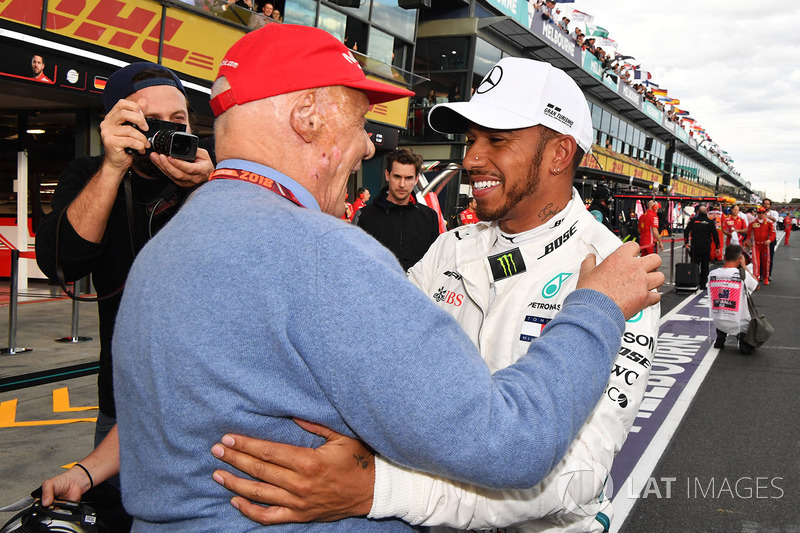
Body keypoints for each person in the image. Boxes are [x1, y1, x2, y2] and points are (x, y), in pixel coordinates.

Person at [108, 26, 661, 532]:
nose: (471, 159)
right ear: (307, 117)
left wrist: (378, 490)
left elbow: (576, 476)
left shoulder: (621, 279)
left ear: (560, 152)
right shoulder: (443, 248)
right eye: (472, 139)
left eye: (497, 140)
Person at [34, 61, 214, 528]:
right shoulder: (92, 175)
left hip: (213, 405)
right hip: (123, 409)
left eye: (179, 123)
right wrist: (113, 167)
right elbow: (62, 264)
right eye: (150, 122)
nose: (167, 133)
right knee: (116, 517)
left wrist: (210, 192)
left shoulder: (214, 182)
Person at [353, 147, 440, 271]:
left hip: (416, 289)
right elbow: (354, 260)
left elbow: (435, 263)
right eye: (397, 177)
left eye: (408, 178)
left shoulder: (429, 217)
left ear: (416, 179)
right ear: (387, 175)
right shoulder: (365, 216)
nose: (402, 184)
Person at [709, 244, 759, 354]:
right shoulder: (742, 274)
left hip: (718, 321)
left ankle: (721, 333)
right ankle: (742, 336)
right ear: (740, 258)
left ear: (724, 256)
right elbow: (757, 286)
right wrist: (744, 267)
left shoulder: (712, 274)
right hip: (739, 323)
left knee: (723, 300)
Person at [684, 204, 720, 290]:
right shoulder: (710, 222)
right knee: (705, 266)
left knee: (695, 265)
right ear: (707, 212)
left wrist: (686, 242)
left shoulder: (693, 221)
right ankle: (703, 284)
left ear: (698, 212)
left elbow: (686, 231)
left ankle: (694, 282)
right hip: (706, 247)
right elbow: (715, 235)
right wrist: (717, 247)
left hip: (695, 246)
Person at [746, 206, 775, 285]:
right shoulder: (753, 222)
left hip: (765, 245)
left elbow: (773, 234)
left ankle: (766, 277)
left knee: (766, 262)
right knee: (756, 263)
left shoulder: (769, 222)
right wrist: (746, 243)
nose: (761, 214)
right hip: (756, 245)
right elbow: (748, 234)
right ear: (757, 213)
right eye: (759, 213)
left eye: (763, 213)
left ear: (765, 213)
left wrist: (769, 240)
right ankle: (756, 277)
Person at [762, 198, 779, 279]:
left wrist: (766, 216)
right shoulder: (759, 212)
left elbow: (775, 220)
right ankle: (761, 274)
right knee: (761, 257)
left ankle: (768, 275)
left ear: (770, 205)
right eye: (765, 204)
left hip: (771, 237)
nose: (766, 205)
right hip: (761, 237)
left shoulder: (774, 213)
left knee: (770, 257)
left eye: (768, 204)